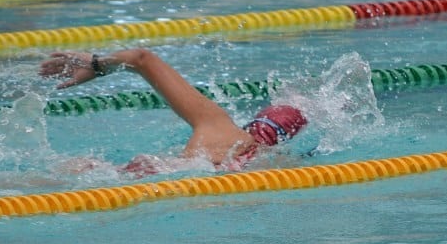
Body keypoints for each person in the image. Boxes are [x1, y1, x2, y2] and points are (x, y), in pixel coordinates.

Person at [39, 48, 308, 175]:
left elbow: (141, 58)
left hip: (121, 173)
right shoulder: (270, 170)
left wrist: (97, 64)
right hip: (142, 185)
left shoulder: (220, 130)